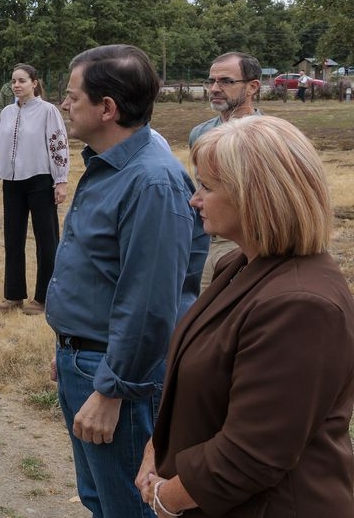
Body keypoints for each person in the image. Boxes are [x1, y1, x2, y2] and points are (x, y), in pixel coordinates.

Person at [137, 115, 354, 517]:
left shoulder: (301, 305)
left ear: (256, 196)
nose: (193, 199)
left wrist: (166, 498)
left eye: (206, 186)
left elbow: (251, 453)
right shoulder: (240, 265)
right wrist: (156, 451)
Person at [46, 44, 209, 518]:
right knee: (101, 499)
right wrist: (69, 349)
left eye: (72, 95)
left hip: (118, 376)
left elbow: (149, 303)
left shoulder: (150, 182)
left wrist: (113, 388)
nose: (64, 104)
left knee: (129, 507)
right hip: (89, 360)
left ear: (107, 108)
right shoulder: (108, 168)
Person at [0, 63, 69, 315]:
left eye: (22, 80)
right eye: (13, 81)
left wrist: (61, 179)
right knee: (13, 240)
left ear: (35, 83)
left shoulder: (47, 111)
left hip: (40, 180)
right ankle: (13, 296)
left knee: (47, 240)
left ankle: (44, 298)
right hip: (12, 183)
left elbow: (58, 144)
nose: (17, 85)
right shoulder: (7, 113)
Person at [188, 51, 261, 290]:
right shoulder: (200, 134)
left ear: (252, 87)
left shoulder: (267, 136)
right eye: (211, 81)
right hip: (207, 240)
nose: (215, 88)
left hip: (247, 241)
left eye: (226, 81)